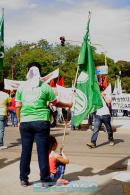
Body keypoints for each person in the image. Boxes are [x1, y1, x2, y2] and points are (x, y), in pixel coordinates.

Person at [16, 62, 72, 186]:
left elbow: (18, 106)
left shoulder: (21, 87)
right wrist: (68, 105)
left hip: (25, 122)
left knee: (25, 151)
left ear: (27, 71)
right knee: (42, 151)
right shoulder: (46, 87)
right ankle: (45, 178)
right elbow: (55, 103)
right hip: (41, 122)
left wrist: (19, 121)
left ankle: (23, 179)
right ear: (40, 72)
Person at [0, 81, 10, 150]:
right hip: (2, 113)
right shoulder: (6, 95)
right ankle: (0, 144)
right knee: (1, 129)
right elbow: (8, 103)